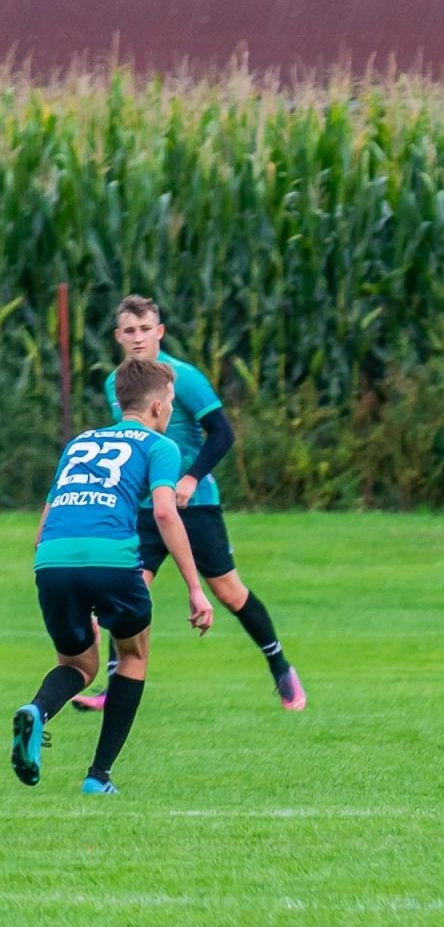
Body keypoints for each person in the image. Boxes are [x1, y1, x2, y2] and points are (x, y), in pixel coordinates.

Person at [72, 295, 305, 712]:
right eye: (130, 330)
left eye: (146, 329)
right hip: (144, 509)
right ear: (118, 336)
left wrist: (191, 477)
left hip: (194, 507)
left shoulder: (184, 378)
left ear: (159, 332)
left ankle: (281, 667)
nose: (138, 338)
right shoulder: (116, 384)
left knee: (228, 592)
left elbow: (222, 433)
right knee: (129, 590)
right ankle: (112, 687)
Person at [13, 358, 214, 794]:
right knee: (132, 656)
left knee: (78, 664)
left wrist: (70, 587)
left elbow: (45, 524)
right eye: (171, 402)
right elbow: (165, 512)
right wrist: (195, 589)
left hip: (52, 560)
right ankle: (98, 776)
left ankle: (36, 710)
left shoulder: (79, 443)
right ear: (158, 406)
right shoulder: (160, 446)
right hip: (111, 560)